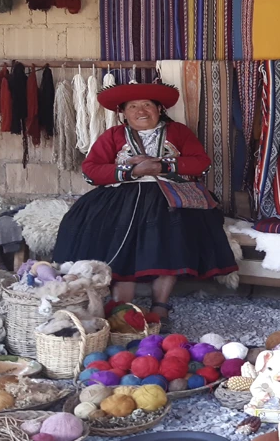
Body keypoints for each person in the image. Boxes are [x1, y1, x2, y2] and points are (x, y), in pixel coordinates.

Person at [53, 82, 238, 332]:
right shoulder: (113, 135)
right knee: (117, 239)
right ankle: (122, 308)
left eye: (148, 105)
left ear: (159, 108)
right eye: (133, 106)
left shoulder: (179, 132)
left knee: (171, 238)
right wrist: (131, 170)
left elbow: (200, 163)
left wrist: (163, 166)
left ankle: (160, 305)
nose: (141, 111)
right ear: (123, 113)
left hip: (170, 196)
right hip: (120, 197)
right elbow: (91, 170)